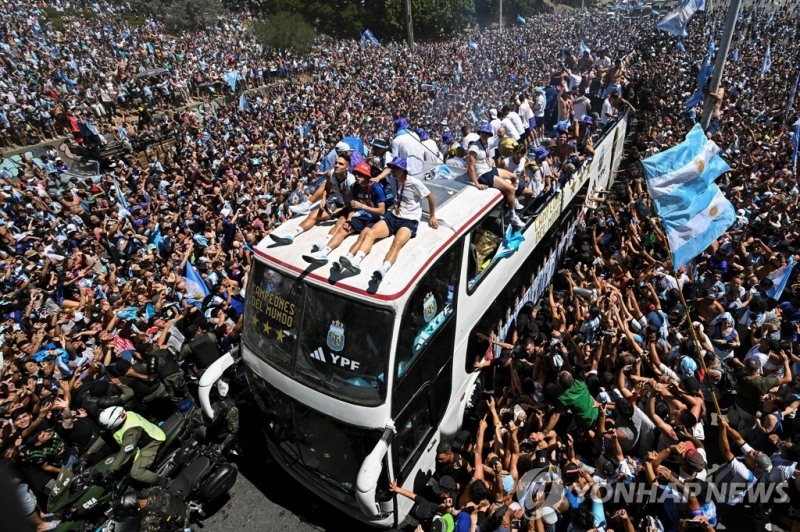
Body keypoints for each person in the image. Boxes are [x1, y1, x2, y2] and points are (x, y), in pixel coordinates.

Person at [337, 157, 438, 281]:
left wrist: (432, 215)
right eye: (393, 168)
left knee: (397, 243)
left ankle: (383, 269)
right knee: (371, 233)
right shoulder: (393, 179)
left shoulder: (415, 182)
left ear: (403, 170)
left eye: (396, 168)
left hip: (409, 220)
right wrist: (379, 177)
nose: (393, 170)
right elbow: (388, 169)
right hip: (393, 216)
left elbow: (431, 197)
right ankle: (357, 261)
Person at [302, 161, 386, 265]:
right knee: (343, 229)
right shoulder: (356, 186)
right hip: (362, 215)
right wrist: (349, 219)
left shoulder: (376, 188)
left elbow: (382, 211)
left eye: (359, 174)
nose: (356, 176)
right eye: (355, 173)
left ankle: (350, 259)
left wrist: (362, 206)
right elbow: (352, 205)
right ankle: (323, 253)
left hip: (375, 219)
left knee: (363, 236)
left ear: (366, 175)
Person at [269, 155, 354, 245]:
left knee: (340, 223)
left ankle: (324, 245)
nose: (337, 165)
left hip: (350, 208)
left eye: (341, 164)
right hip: (338, 203)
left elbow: (357, 202)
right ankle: (291, 235)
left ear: (347, 167)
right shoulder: (331, 173)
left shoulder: (352, 182)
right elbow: (327, 187)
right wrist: (324, 199)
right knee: (313, 214)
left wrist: (341, 210)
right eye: (336, 163)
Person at [85, 406, 166, 485]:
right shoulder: (122, 416)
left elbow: (125, 451)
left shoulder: (131, 431)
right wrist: (88, 453)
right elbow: (105, 436)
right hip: (138, 440)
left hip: (150, 444)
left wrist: (111, 470)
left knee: (136, 473)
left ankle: (162, 481)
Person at [467, 123, 525, 230]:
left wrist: (502, 131)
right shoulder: (474, 147)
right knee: (511, 188)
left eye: (486, 133)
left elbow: (499, 139)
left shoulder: (486, 142)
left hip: (489, 169)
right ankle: (512, 215)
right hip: (483, 175)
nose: (485, 135)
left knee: (513, 177)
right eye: (483, 133)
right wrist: (477, 183)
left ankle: (512, 200)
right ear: (480, 134)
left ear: (489, 134)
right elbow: (470, 166)